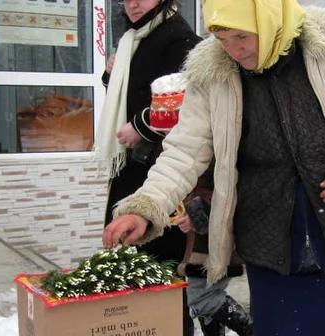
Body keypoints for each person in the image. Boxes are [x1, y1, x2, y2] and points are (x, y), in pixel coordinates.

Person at [103, 1, 325, 335]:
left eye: (241, 36)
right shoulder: (213, 72)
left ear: (268, 18)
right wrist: (147, 207)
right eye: (221, 38)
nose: (234, 50)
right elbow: (184, 150)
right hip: (267, 238)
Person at [94, 0, 200, 335]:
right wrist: (112, 75)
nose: (133, 4)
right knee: (134, 264)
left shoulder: (179, 39)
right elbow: (132, 94)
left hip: (163, 171)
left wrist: (140, 127)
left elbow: (187, 102)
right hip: (131, 166)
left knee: (164, 271)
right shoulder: (133, 40)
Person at [175, 163, 253, 336]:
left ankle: (253, 331)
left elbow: (225, 180)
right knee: (205, 296)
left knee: (202, 297)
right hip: (204, 234)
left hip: (214, 234)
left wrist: (195, 212)